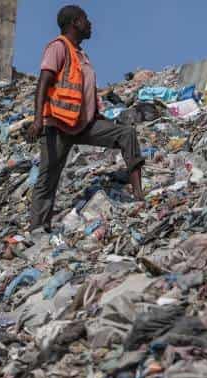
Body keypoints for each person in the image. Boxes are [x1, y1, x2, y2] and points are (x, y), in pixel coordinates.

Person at [27, 5, 146, 233]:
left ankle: (138, 194)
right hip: (58, 125)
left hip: (84, 124)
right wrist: (37, 119)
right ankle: (37, 229)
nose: (90, 24)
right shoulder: (58, 47)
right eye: (85, 19)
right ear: (75, 23)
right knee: (47, 179)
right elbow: (43, 82)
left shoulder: (82, 56)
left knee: (126, 133)